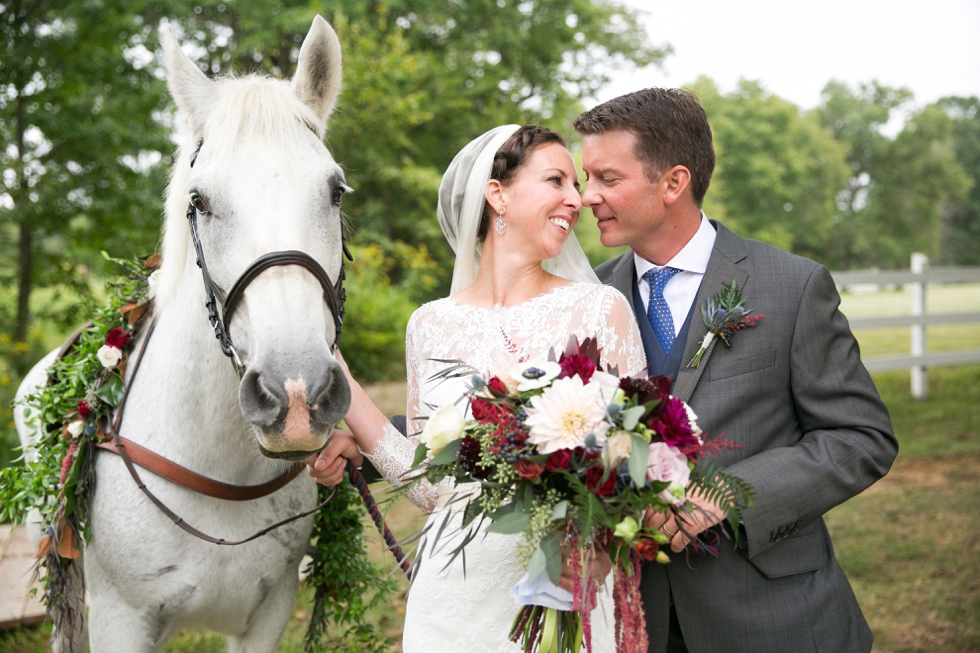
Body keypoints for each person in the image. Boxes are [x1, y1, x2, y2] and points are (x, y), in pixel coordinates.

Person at [573, 88, 898, 653]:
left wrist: (726, 493)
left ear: (673, 183)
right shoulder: (585, 298)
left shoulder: (792, 286)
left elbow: (861, 438)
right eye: (585, 179)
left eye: (606, 178)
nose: (585, 198)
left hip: (775, 618)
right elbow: (524, 411)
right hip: (632, 621)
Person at [308, 124, 646, 652]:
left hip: (559, 586)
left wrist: (593, 538)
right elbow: (428, 485)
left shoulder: (599, 309)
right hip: (451, 597)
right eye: (556, 180)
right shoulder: (429, 323)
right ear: (498, 194)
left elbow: (635, 461)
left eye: (575, 185)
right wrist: (343, 384)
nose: (576, 200)